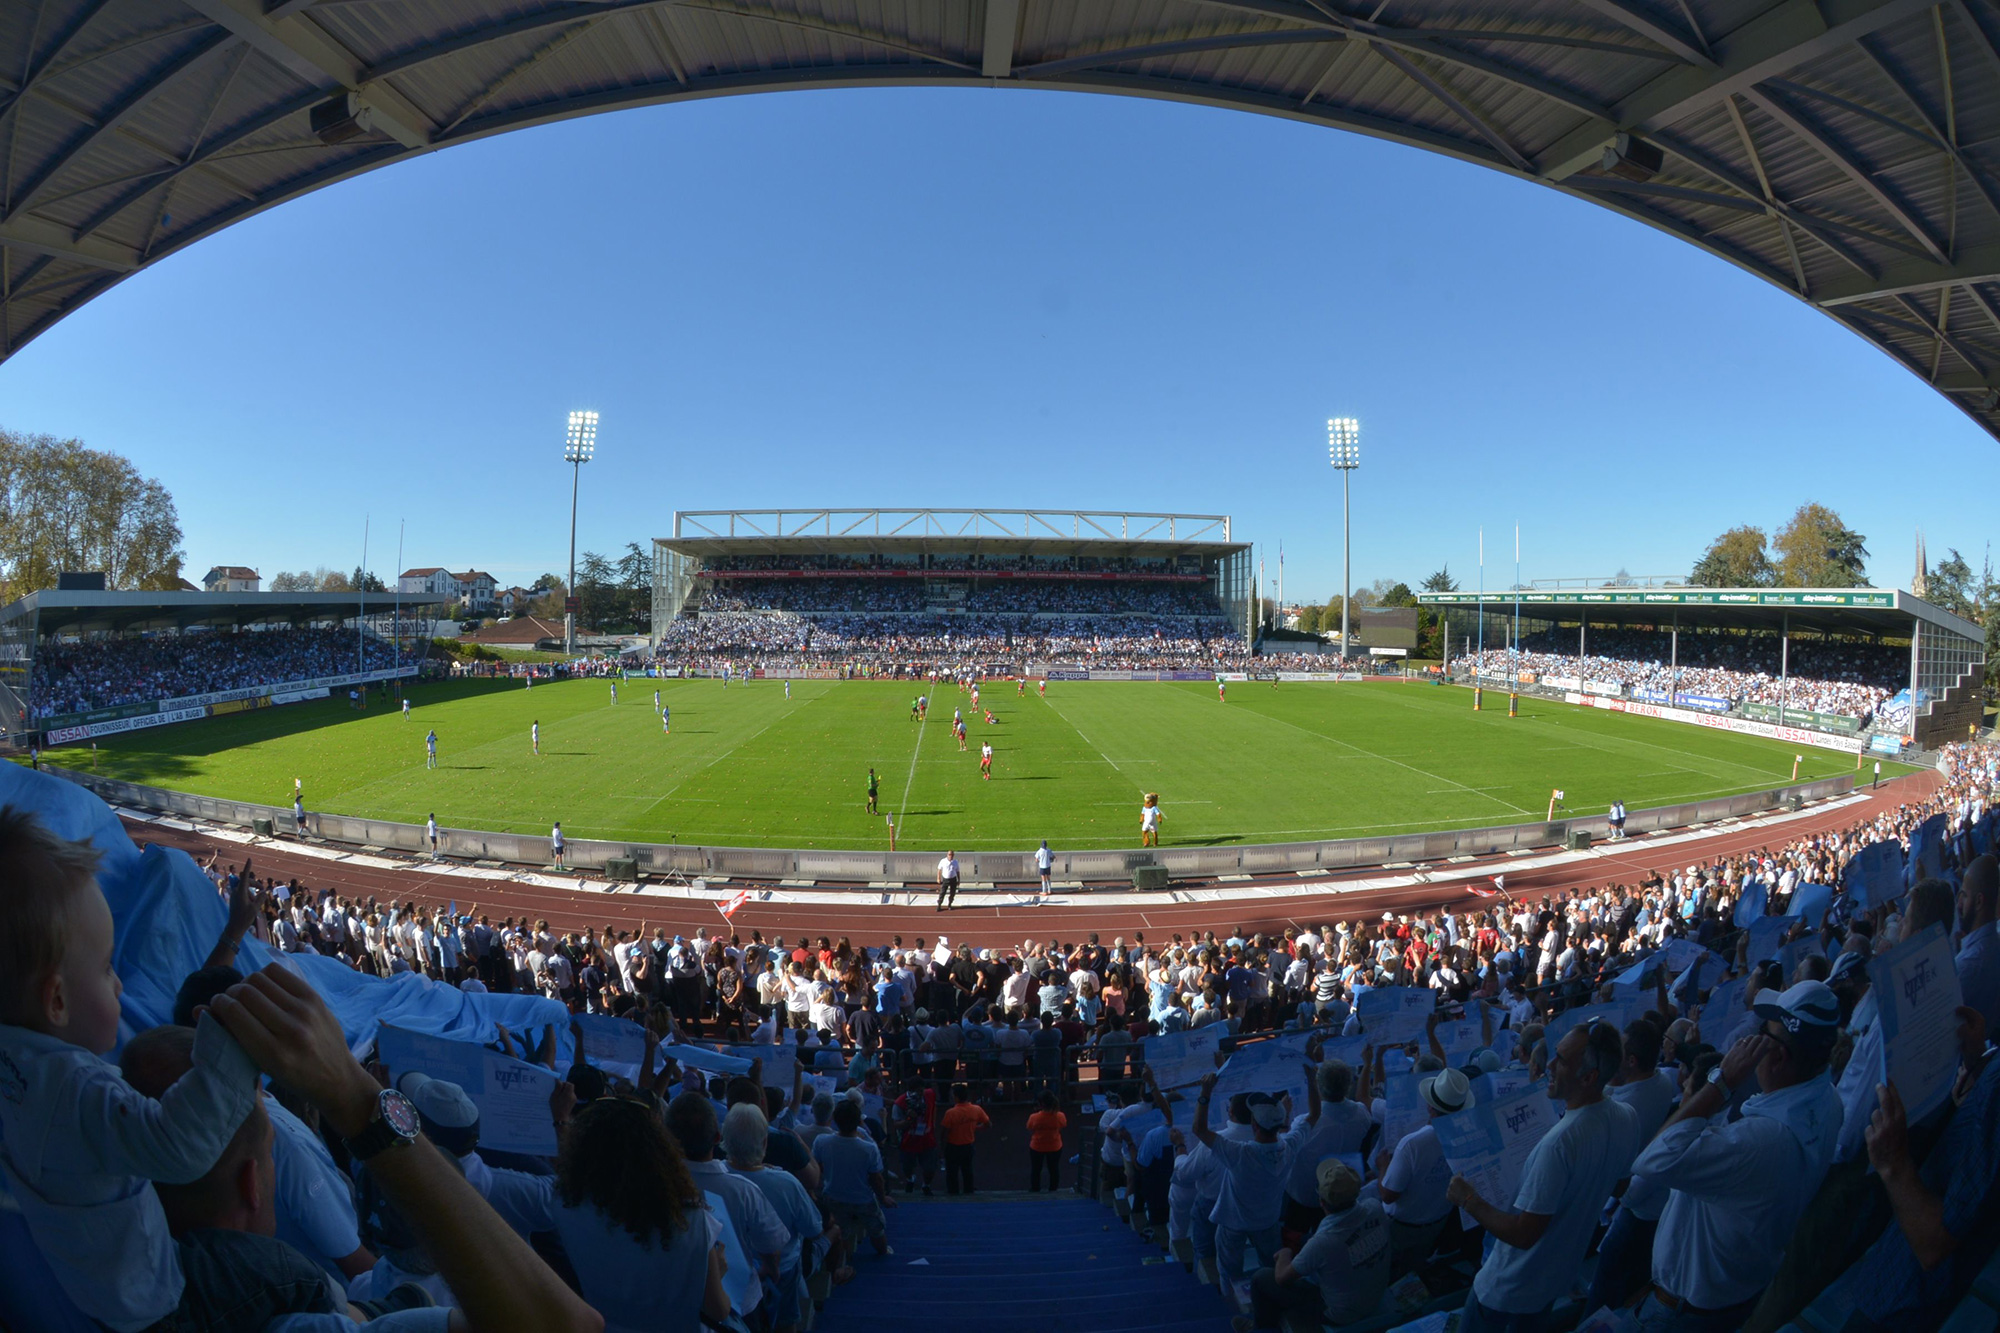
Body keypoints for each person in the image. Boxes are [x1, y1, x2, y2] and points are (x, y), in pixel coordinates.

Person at [0, 809, 263, 1330]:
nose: (119, 985)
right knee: (282, 1278)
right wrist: (230, 1040)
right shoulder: (79, 1091)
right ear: (57, 1001)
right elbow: (177, 1146)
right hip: (153, 1304)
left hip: (90, 1287)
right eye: (105, 968)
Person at [1629, 982, 1845, 1331]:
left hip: (1684, 1312)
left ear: (1777, 1056)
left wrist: (1723, 1080)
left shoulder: (1764, 1140)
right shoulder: (1828, 1099)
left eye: (1763, 1035)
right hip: (1738, 1291)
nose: (1750, 1044)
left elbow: (1653, 1159)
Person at [1449, 1022, 1640, 1333]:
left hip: (1510, 1284)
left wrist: (1467, 1198)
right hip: (1556, 1278)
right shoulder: (1627, 1116)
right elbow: (1620, 1184)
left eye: (1562, 1060)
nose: (1549, 1064)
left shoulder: (1559, 1144)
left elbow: (1524, 1235)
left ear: (1589, 1077)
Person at [1243, 1160, 1390, 1332]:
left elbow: (1282, 1278)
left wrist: (1285, 1253)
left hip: (1339, 1313)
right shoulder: (1375, 1207)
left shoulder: (1323, 1242)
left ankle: (1260, 1327)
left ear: (1321, 1202)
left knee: (1261, 1278)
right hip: (1374, 1294)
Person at [1195, 1073, 1290, 1292]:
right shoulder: (1288, 1146)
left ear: (1255, 1125)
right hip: (1268, 1221)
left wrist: (1205, 1094)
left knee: (1229, 1271)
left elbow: (1199, 1130)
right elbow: (1311, 1118)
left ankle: (1233, 1308)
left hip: (1233, 1223)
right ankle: (1273, 1299)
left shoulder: (1240, 1152)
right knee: (1270, 1265)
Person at [812, 1097, 895, 1278]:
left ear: (835, 1119)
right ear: (859, 1121)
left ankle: (846, 1261)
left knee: (842, 1232)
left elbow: (818, 1169)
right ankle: (884, 1253)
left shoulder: (821, 1141)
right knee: (877, 1228)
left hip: (833, 1196)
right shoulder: (868, 1148)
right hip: (863, 1198)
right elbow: (876, 1179)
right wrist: (883, 1198)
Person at [941, 1082, 989, 1195]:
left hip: (953, 1146)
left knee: (952, 1172)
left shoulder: (951, 1113)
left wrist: (942, 1147)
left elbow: (944, 1132)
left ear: (956, 1097)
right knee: (967, 1170)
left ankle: (953, 1192)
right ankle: (969, 1191)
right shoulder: (976, 1109)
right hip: (968, 1145)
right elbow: (988, 1124)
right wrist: (975, 1128)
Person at [1027, 1091, 1067, 1191]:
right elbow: (1063, 1125)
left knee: (1036, 1169)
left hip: (1037, 1146)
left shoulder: (1034, 1117)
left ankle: (1035, 1189)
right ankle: (1053, 1189)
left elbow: (1029, 1127)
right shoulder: (1060, 1116)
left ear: (1041, 1104)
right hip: (1055, 1145)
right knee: (1054, 1169)